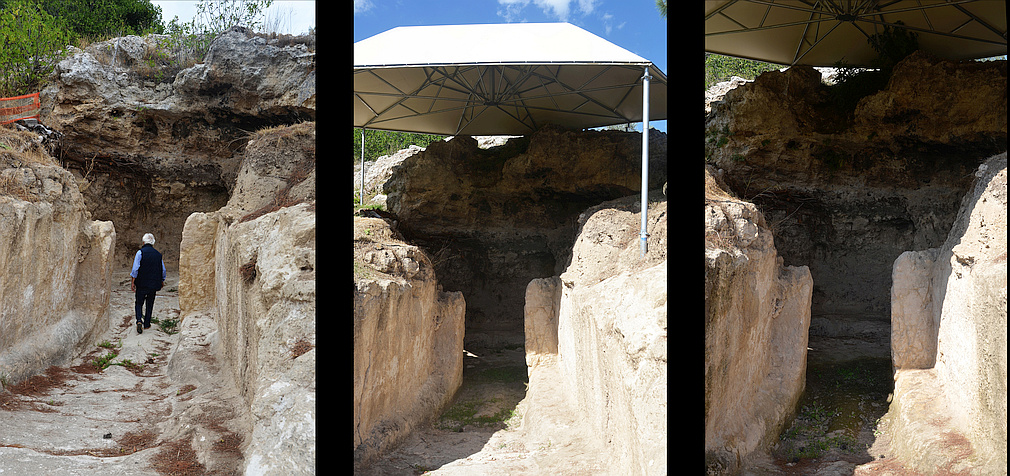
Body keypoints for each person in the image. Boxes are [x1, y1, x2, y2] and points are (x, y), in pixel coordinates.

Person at [130, 233, 166, 334]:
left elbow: (135, 268)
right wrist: (162, 280)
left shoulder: (140, 253)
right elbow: (163, 270)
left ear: (143, 242)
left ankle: (138, 320)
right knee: (150, 303)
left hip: (141, 283)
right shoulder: (158, 255)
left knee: (139, 302)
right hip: (153, 284)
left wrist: (133, 281)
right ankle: (147, 324)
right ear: (153, 242)